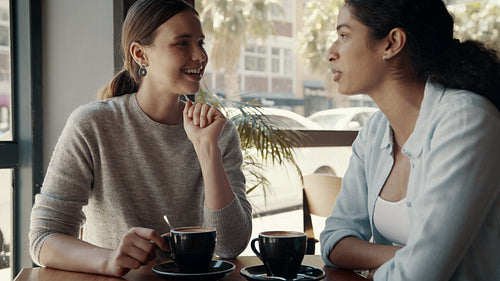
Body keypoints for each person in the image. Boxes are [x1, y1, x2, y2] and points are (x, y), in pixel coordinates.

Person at [29, 0, 252, 277]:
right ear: (139, 54)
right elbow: (44, 237)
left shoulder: (218, 131)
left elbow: (231, 245)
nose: (200, 56)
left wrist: (208, 150)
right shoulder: (92, 125)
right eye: (182, 43)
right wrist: (111, 260)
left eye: (201, 43)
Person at [320, 0, 499, 280]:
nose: (331, 53)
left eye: (344, 35)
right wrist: (408, 256)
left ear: (392, 43)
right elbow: (333, 240)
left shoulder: (466, 121)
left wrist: (393, 267)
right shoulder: (375, 131)